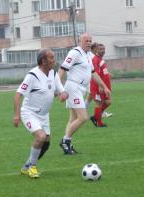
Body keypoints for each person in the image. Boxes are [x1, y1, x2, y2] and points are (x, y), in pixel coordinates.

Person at [13, 48, 68, 178]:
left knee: (46, 144)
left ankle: (27, 166)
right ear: (43, 61)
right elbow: (17, 95)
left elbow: (61, 90)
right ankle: (32, 168)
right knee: (41, 137)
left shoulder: (53, 74)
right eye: (51, 58)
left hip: (44, 115)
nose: (54, 60)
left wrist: (64, 94)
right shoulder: (32, 75)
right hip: (29, 113)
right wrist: (16, 115)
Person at [58, 33, 111, 155]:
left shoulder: (88, 55)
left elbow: (93, 73)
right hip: (72, 87)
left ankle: (68, 144)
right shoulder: (75, 53)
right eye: (86, 40)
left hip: (80, 89)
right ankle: (65, 141)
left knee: (73, 118)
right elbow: (62, 69)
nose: (88, 42)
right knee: (83, 117)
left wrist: (104, 86)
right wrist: (60, 89)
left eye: (90, 41)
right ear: (80, 41)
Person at [90, 43, 113, 127]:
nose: (103, 51)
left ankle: (95, 117)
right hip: (98, 86)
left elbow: (101, 71)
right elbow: (95, 73)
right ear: (96, 50)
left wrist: (108, 74)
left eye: (103, 49)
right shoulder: (95, 59)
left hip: (105, 86)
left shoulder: (100, 59)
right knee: (99, 104)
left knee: (108, 102)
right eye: (100, 49)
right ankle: (99, 123)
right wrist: (100, 86)